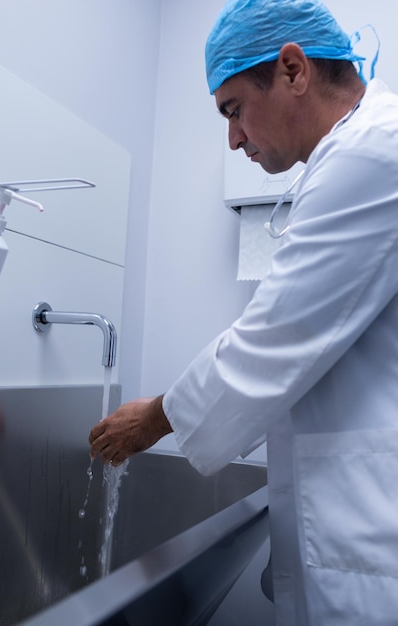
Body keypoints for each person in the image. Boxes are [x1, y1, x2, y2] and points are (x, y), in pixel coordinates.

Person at [89, 0, 398, 623]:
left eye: (233, 110)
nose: (232, 139)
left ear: (292, 69)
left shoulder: (373, 151)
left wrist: (156, 417)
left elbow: (276, 335)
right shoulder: (354, 156)